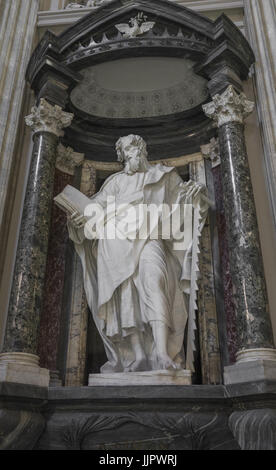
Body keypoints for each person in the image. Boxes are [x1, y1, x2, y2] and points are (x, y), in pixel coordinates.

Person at [68, 135, 209, 373]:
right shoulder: (115, 182)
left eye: (134, 147)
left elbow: (184, 206)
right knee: (125, 296)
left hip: (150, 239)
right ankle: (139, 355)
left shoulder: (165, 176)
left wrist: (196, 195)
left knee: (155, 282)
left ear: (142, 150)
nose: (131, 153)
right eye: (126, 150)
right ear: (122, 156)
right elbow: (94, 209)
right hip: (115, 244)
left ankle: (162, 353)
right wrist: (81, 218)